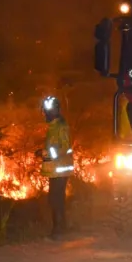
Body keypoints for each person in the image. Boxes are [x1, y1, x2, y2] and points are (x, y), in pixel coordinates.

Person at [39, 96, 74, 239]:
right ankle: (60, 228)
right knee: (55, 199)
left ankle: (58, 230)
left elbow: (64, 147)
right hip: (55, 169)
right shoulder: (53, 126)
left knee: (55, 199)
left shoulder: (61, 126)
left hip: (61, 169)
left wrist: (44, 153)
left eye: (48, 111)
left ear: (56, 111)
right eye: (45, 111)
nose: (46, 114)